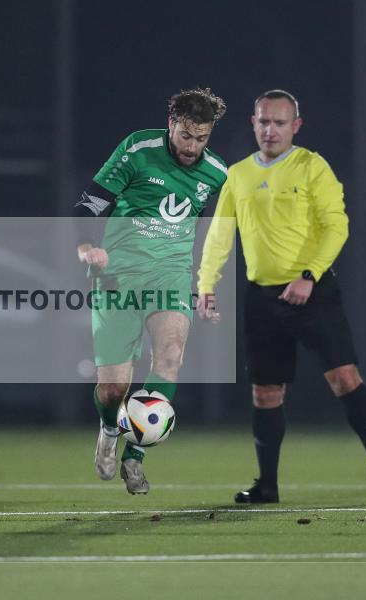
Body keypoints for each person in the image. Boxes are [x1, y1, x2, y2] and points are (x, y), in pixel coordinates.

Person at [197, 89, 366, 503]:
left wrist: (309, 275)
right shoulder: (237, 174)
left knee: (344, 378)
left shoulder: (312, 167)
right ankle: (266, 486)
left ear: (296, 126)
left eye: (279, 122)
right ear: (253, 123)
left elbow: (336, 225)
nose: (270, 130)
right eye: (264, 122)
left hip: (313, 291)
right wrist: (205, 284)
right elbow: (219, 233)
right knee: (265, 392)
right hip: (262, 298)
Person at [74, 88, 228, 494]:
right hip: (117, 277)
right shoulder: (137, 149)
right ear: (171, 123)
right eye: (186, 136)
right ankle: (110, 427)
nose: (192, 147)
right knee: (113, 389)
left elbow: (210, 235)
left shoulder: (217, 174)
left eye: (202, 138)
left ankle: (135, 456)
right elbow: (89, 205)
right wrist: (88, 248)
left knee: (171, 357)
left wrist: (206, 285)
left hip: (170, 275)